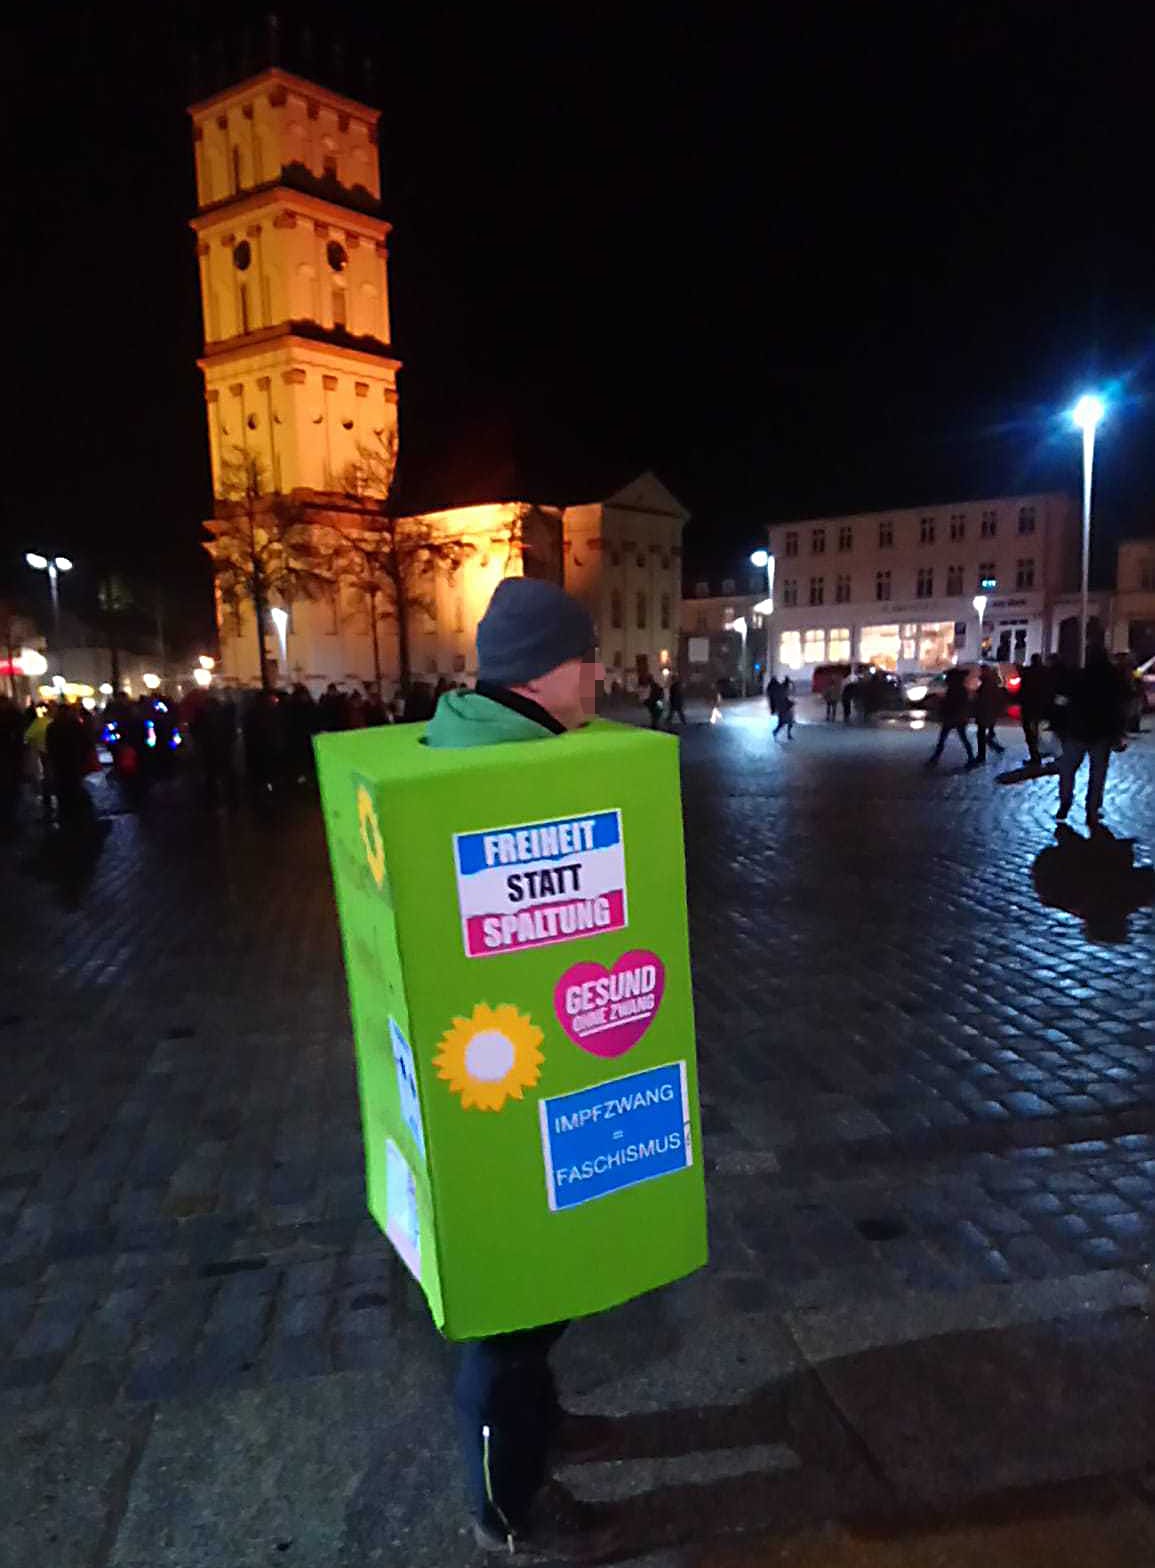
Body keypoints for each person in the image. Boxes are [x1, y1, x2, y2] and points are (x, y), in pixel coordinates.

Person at [424, 578, 618, 1561]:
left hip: (520, 1076)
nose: (600, 673)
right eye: (589, 657)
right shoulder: (509, 774)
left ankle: (539, 1422)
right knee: (506, 1326)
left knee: (535, 1303)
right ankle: (507, 1503)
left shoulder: (474, 736)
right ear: (550, 666)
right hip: (500, 1097)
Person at [1058, 646, 1128, 828]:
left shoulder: (1079, 676)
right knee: (1097, 772)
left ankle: (1066, 800)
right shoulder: (1113, 678)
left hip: (1078, 730)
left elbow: (1064, 700)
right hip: (1102, 731)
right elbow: (1120, 707)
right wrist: (1118, 732)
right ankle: (1092, 808)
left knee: (1068, 768)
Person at [926, 666, 975, 767]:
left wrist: (942, 705)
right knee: (961, 738)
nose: (947, 679)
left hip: (953, 717)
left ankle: (935, 758)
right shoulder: (960, 689)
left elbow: (952, 704)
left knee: (944, 738)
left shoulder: (955, 690)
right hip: (958, 717)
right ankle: (971, 757)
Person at [1018, 653, 1047, 768]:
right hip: (1040, 708)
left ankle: (1035, 757)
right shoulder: (1045, 673)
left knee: (1030, 733)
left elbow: (1023, 691)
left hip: (1029, 707)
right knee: (1040, 732)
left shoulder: (1028, 673)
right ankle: (1038, 754)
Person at [974, 664, 1006, 764]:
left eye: (982, 671)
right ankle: (995, 749)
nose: (980, 673)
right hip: (989, 712)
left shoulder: (987, 683)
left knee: (981, 734)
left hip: (985, 712)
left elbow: (984, 699)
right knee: (985, 734)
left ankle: (981, 756)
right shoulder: (991, 682)